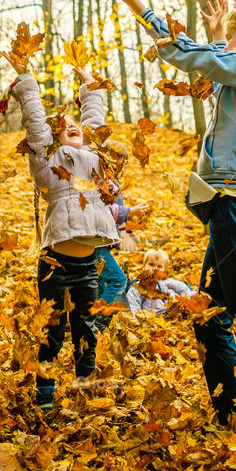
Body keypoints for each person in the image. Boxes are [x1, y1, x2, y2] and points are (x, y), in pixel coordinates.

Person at [98, 0, 236, 437]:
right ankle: (231, 411)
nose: (226, 46)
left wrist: (135, 2)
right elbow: (220, 70)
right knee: (209, 312)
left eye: (233, 37)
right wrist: (221, 40)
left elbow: (188, 56)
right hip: (233, 206)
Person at [2, 53, 119, 414]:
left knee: (86, 330)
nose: (73, 126)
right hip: (55, 265)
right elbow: (37, 125)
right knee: (53, 332)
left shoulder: (97, 162)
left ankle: (85, 386)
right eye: (64, 125)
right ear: (53, 140)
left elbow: (94, 121)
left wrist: (90, 87)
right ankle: (46, 395)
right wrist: (26, 82)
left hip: (87, 266)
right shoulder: (49, 165)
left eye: (75, 124)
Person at [94, 140, 149, 331]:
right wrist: (130, 210)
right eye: (115, 157)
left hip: (102, 241)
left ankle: (97, 324)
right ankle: (100, 319)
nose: (117, 164)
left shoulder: (113, 183)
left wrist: (127, 233)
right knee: (118, 279)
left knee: (101, 283)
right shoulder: (99, 180)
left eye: (121, 160)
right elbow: (105, 210)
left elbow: (115, 219)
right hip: (93, 242)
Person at [126, 249, 194, 316]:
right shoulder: (138, 287)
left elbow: (184, 289)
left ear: (165, 271)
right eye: (151, 265)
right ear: (144, 266)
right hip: (150, 319)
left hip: (171, 314)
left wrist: (186, 301)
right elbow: (133, 306)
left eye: (159, 266)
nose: (155, 269)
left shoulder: (169, 283)